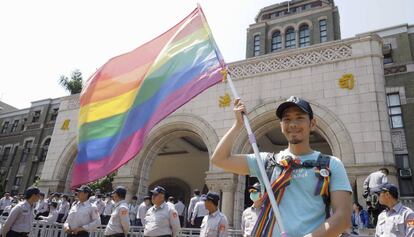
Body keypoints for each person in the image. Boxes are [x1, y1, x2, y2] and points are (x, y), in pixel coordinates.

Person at [211, 96, 352, 237]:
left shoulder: (331, 164)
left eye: (299, 118)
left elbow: (343, 218)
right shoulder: (266, 162)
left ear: (312, 124)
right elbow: (220, 159)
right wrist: (238, 125)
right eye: (287, 119)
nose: (293, 124)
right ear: (281, 126)